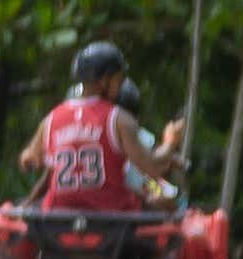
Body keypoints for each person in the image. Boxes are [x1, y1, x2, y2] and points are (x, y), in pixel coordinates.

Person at [26, 42, 186, 213]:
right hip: (112, 218)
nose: (121, 82)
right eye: (118, 77)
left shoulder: (51, 119)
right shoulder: (119, 119)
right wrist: (170, 141)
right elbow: (152, 168)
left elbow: (35, 164)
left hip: (58, 215)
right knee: (167, 204)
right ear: (105, 79)